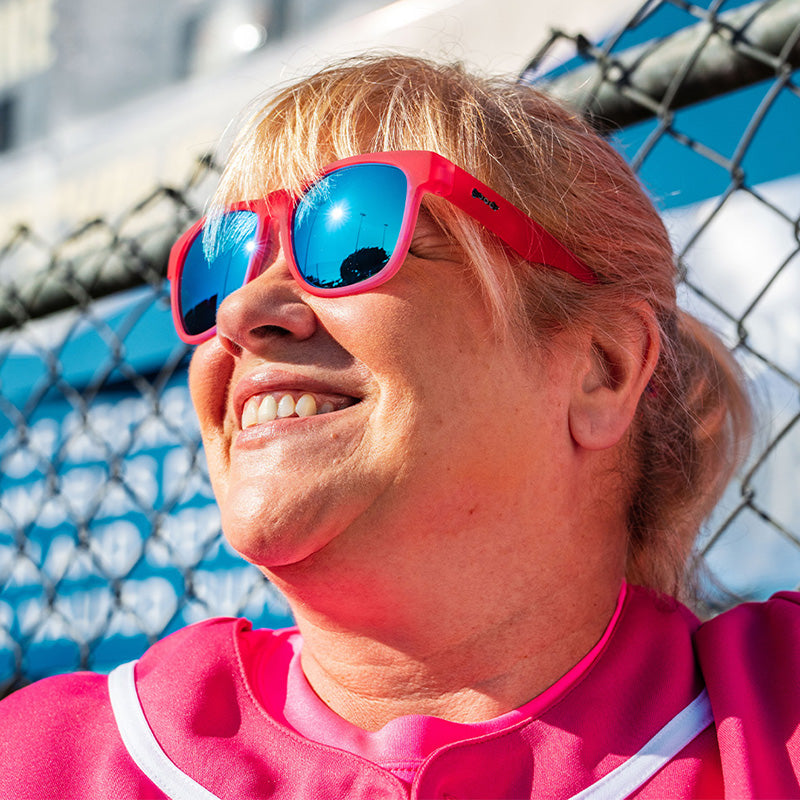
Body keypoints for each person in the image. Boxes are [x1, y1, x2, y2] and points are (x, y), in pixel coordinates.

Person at [0, 53, 796, 800]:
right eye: (223, 263)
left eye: (350, 237)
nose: (239, 314)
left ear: (603, 369)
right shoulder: (45, 759)